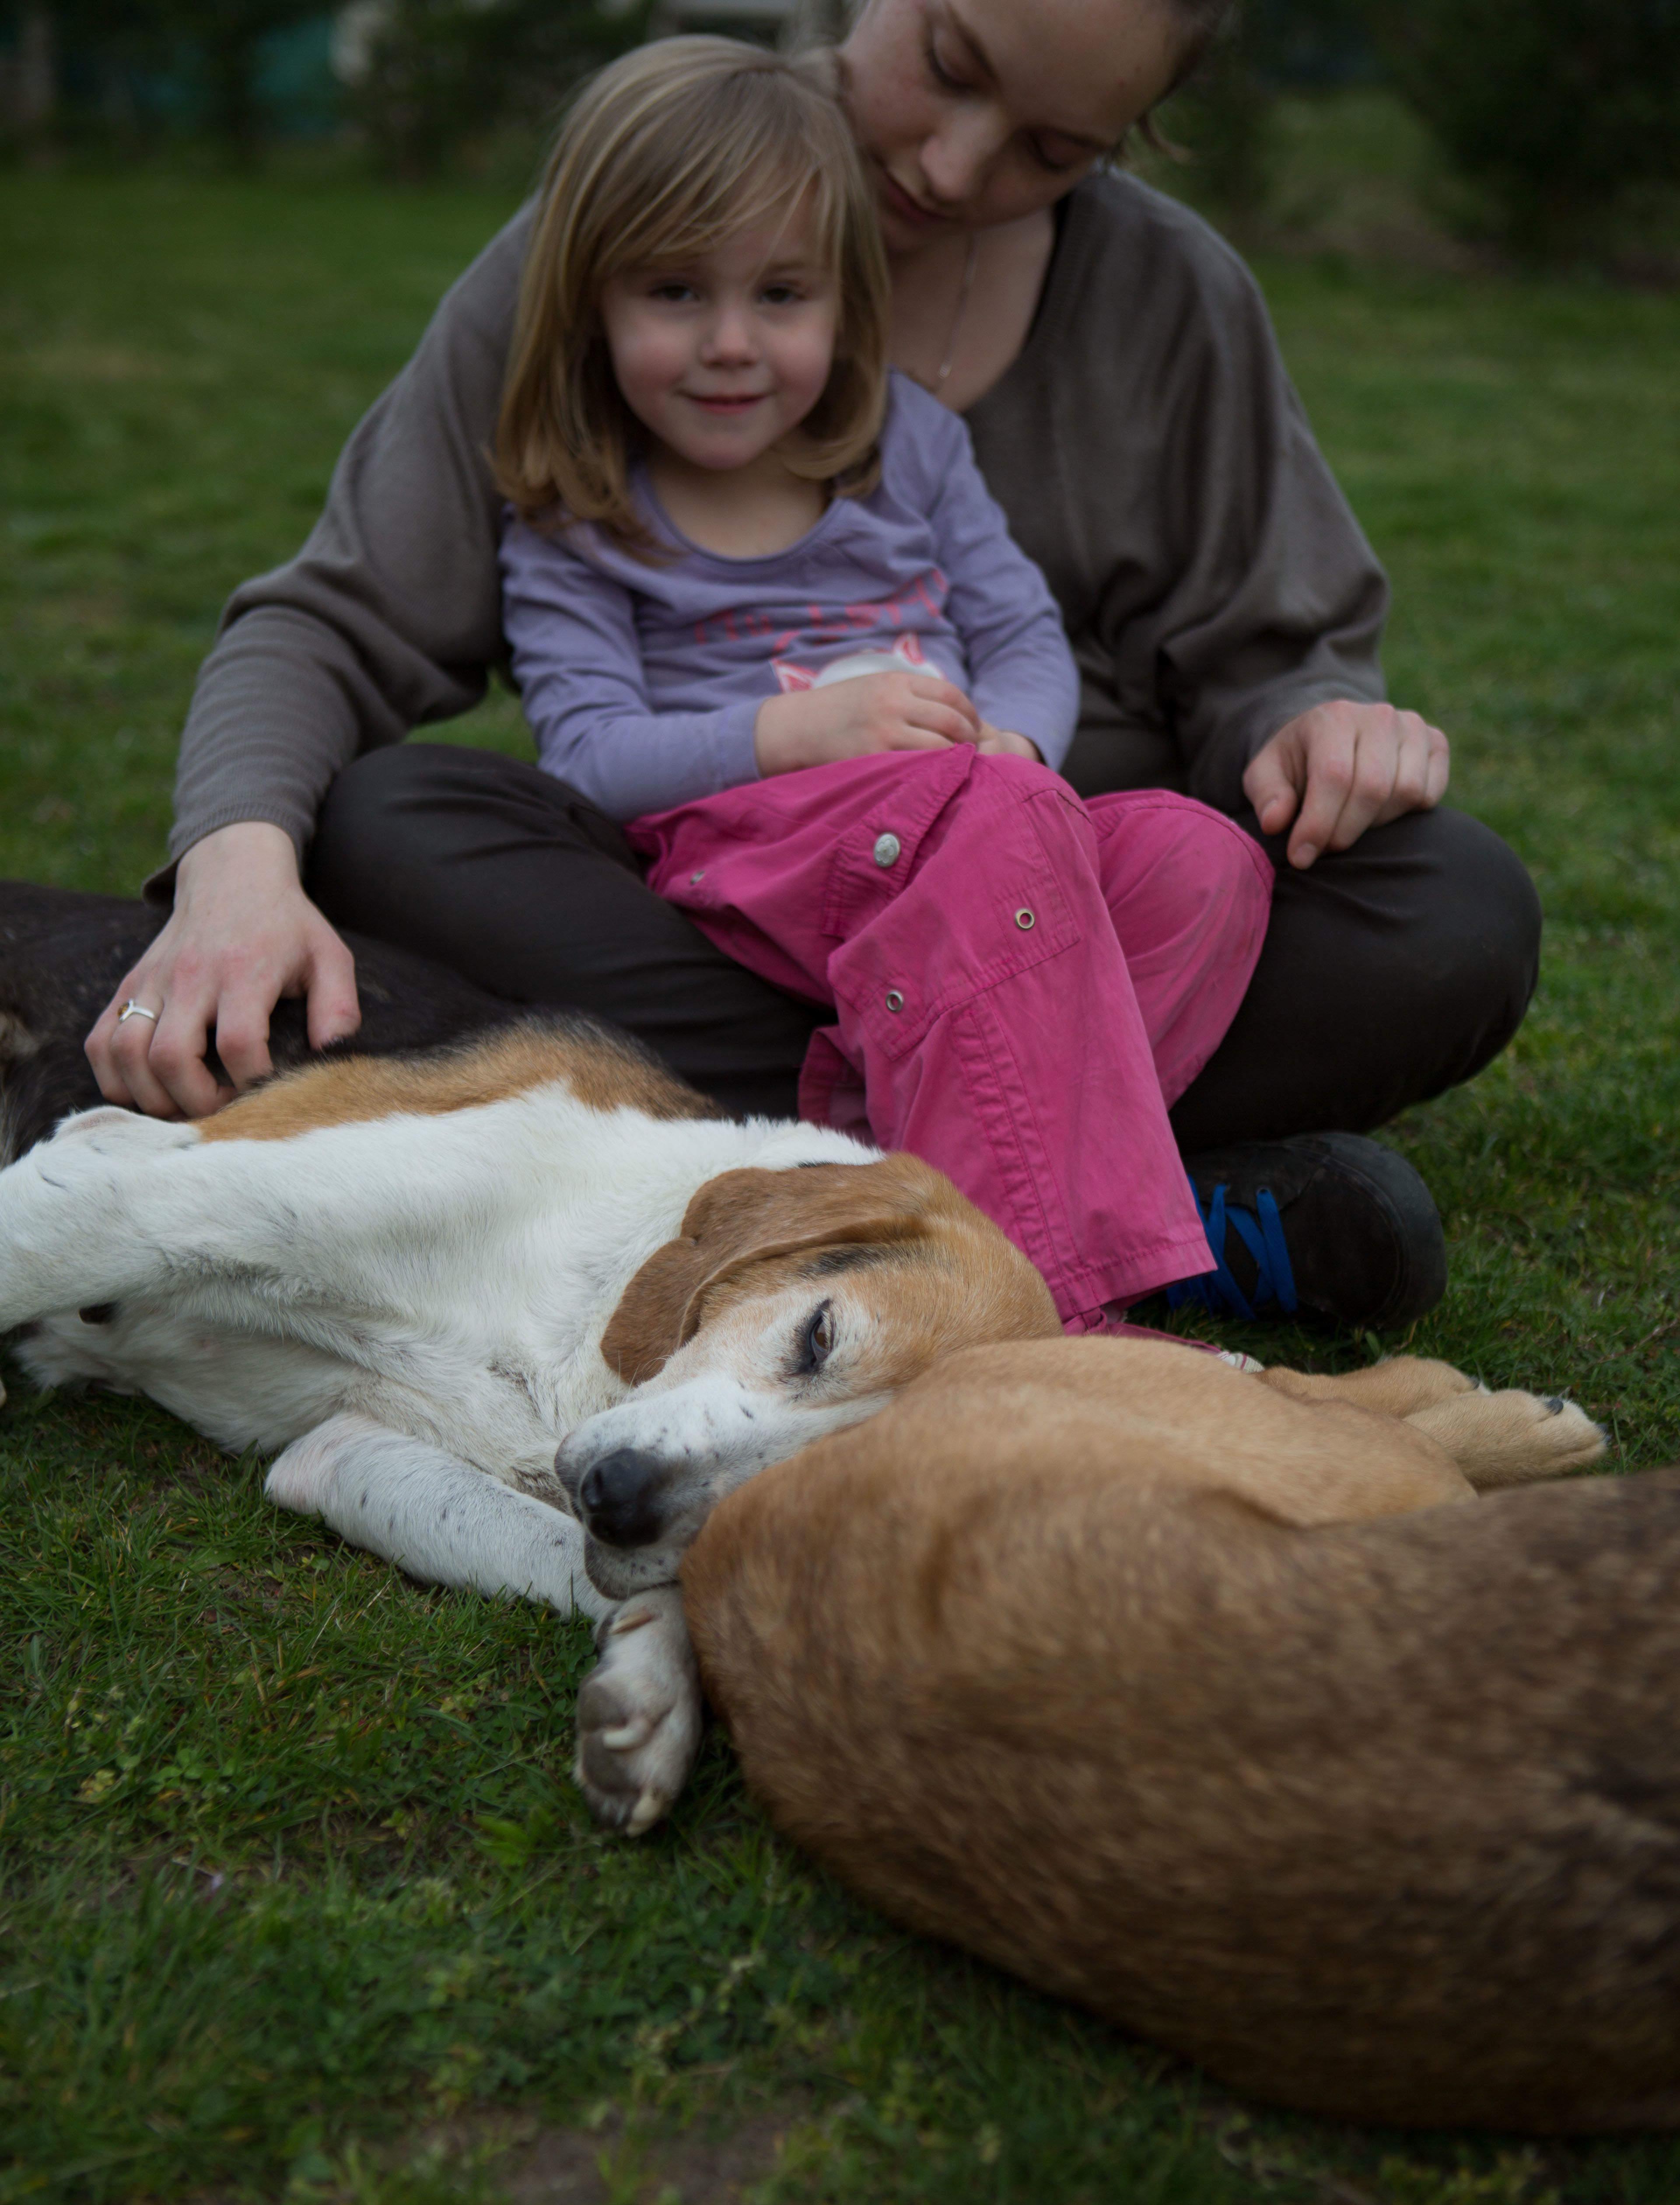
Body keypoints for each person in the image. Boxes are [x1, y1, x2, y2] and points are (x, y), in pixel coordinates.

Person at [88, 0, 1540, 1331]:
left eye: (1052, 150)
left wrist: (1314, 719)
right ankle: (1130, 1208)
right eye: (950, 65)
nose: (955, 168)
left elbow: (1261, 655)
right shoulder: (636, 196)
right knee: (384, 816)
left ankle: (839, 1183)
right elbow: (338, 624)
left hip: (1067, 882)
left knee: (1451, 907)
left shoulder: (1166, 303)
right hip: (725, 907)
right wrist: (235, 872)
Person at [495, 39, 1278, 1331]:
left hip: (973, 835)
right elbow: (586, 755)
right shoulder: (580, 514)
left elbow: (1023, 636)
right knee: (1004, 831)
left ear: (846, 299)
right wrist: (794, 730)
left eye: (781, 295)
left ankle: (882, 1161)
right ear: (591, 302)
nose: (732, 344)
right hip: (758, 857)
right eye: (676, 293)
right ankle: (1054, 1318)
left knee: (1201, 861)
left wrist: (1019, 749)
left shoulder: (908, 444)